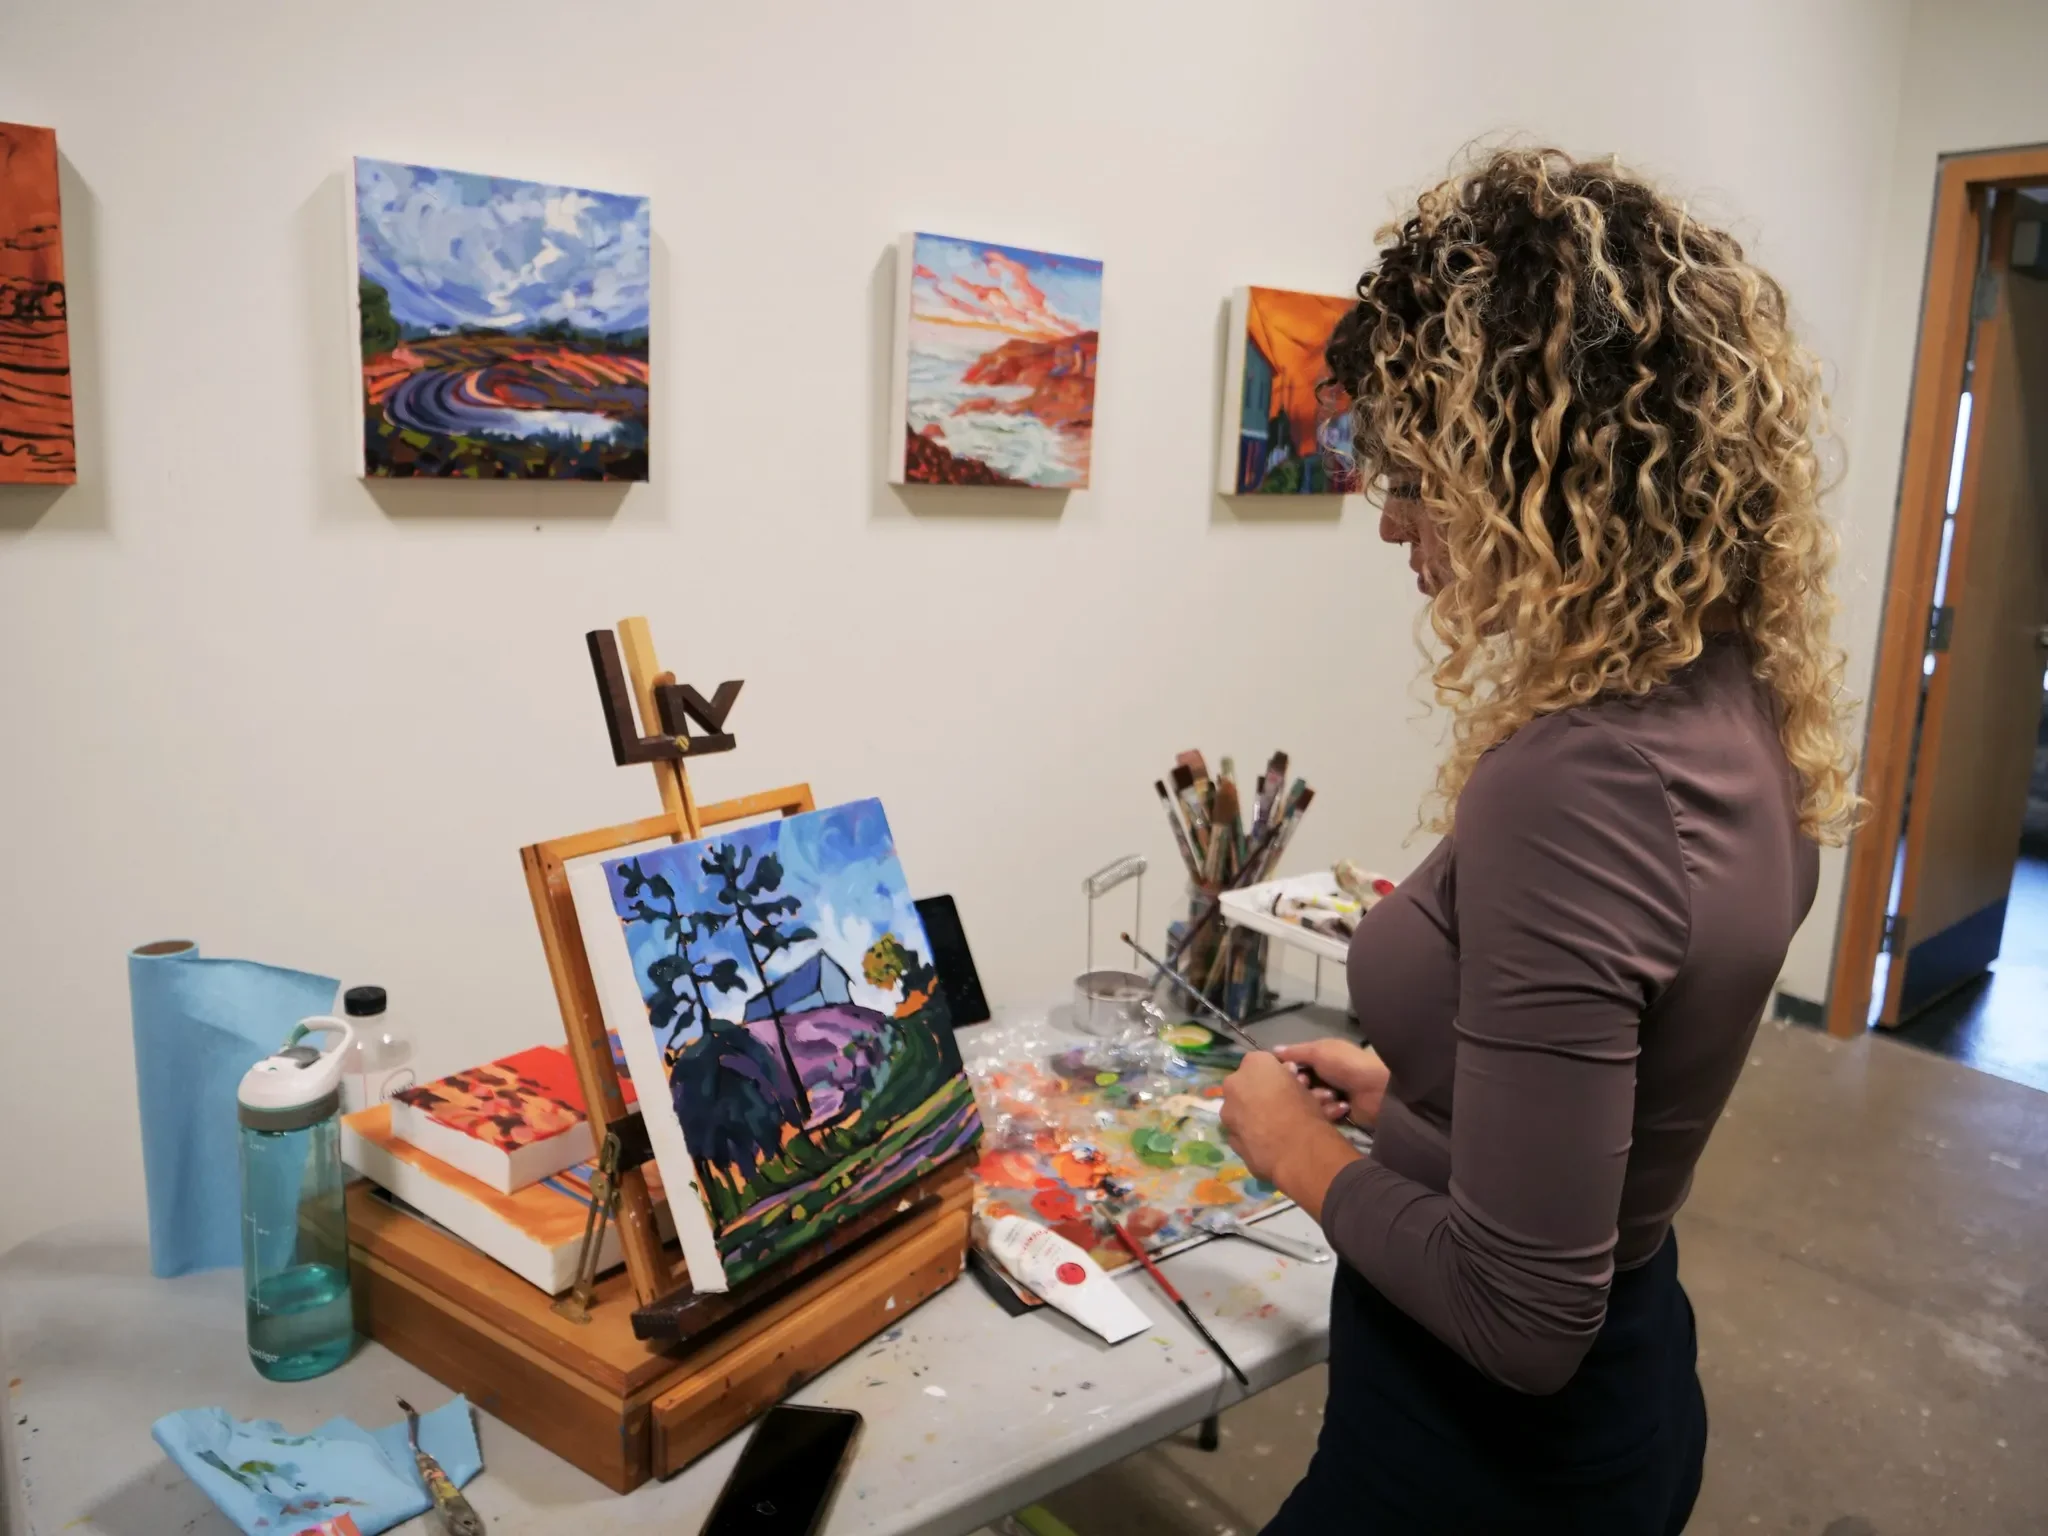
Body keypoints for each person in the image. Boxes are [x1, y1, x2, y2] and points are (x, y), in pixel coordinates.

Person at [1218, 146, 1861, 1534]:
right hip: (1625, 1403)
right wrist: (1419, 1113)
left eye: (1415, 466)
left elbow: (1522, 1312)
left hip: (1479, 1460)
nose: (1389, 518)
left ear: (1545, 464)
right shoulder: (1739, 707)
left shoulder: (1577, 781)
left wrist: (1295, 1153)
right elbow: (1615, 1137)